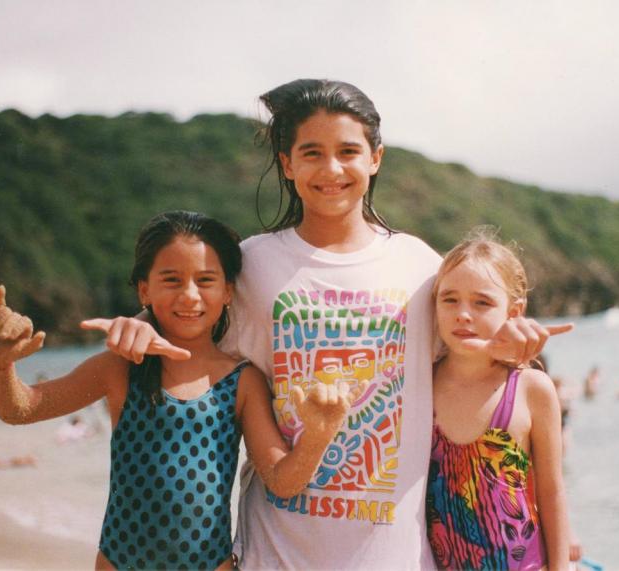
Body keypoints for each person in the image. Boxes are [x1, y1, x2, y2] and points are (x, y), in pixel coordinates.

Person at [85, 80, 573, 569]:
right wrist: (141, 321)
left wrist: (505, 345)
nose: (332, 169)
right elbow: (190, 319)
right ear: (287, 163)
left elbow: (465, 359)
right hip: (275, 554)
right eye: (312, 152)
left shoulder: (420, 268)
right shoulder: (252, 264)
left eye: (348, 151)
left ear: (376, 157)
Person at [0, 211, 365, 570]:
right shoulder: (122, 367)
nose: (190, 295)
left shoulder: (242, 380)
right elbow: (22, 409)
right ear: (144, 290)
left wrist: (318, 435)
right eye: (171, 280)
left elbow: (281, 479)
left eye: (206, 280)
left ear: (228, 291)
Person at [426, 232, 571, 570]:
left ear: (514, 311)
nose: (463, 314)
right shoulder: (422, 381)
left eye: (481, 302)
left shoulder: (531, 389)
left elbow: (552, 492)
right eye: (449, 300)